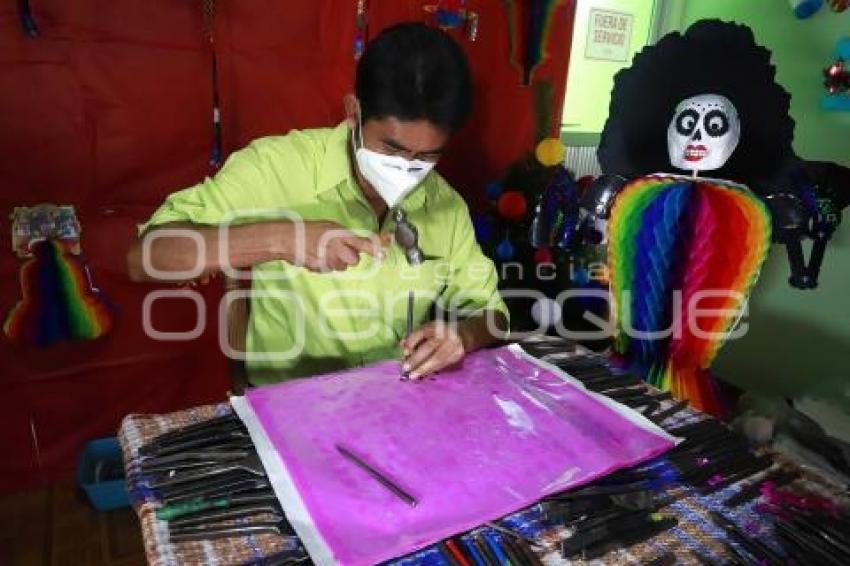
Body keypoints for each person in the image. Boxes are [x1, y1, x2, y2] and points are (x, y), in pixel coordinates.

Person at [126, 22, 508, 385]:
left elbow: (493, 314)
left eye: (425, 157)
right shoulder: (275, 168)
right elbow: (146, 257)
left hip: (395, 397)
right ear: (353, 112)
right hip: (289, 404)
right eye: (391, 148)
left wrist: (463, 335)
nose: (406, 168)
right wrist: (282, 240)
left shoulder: (444, 204)